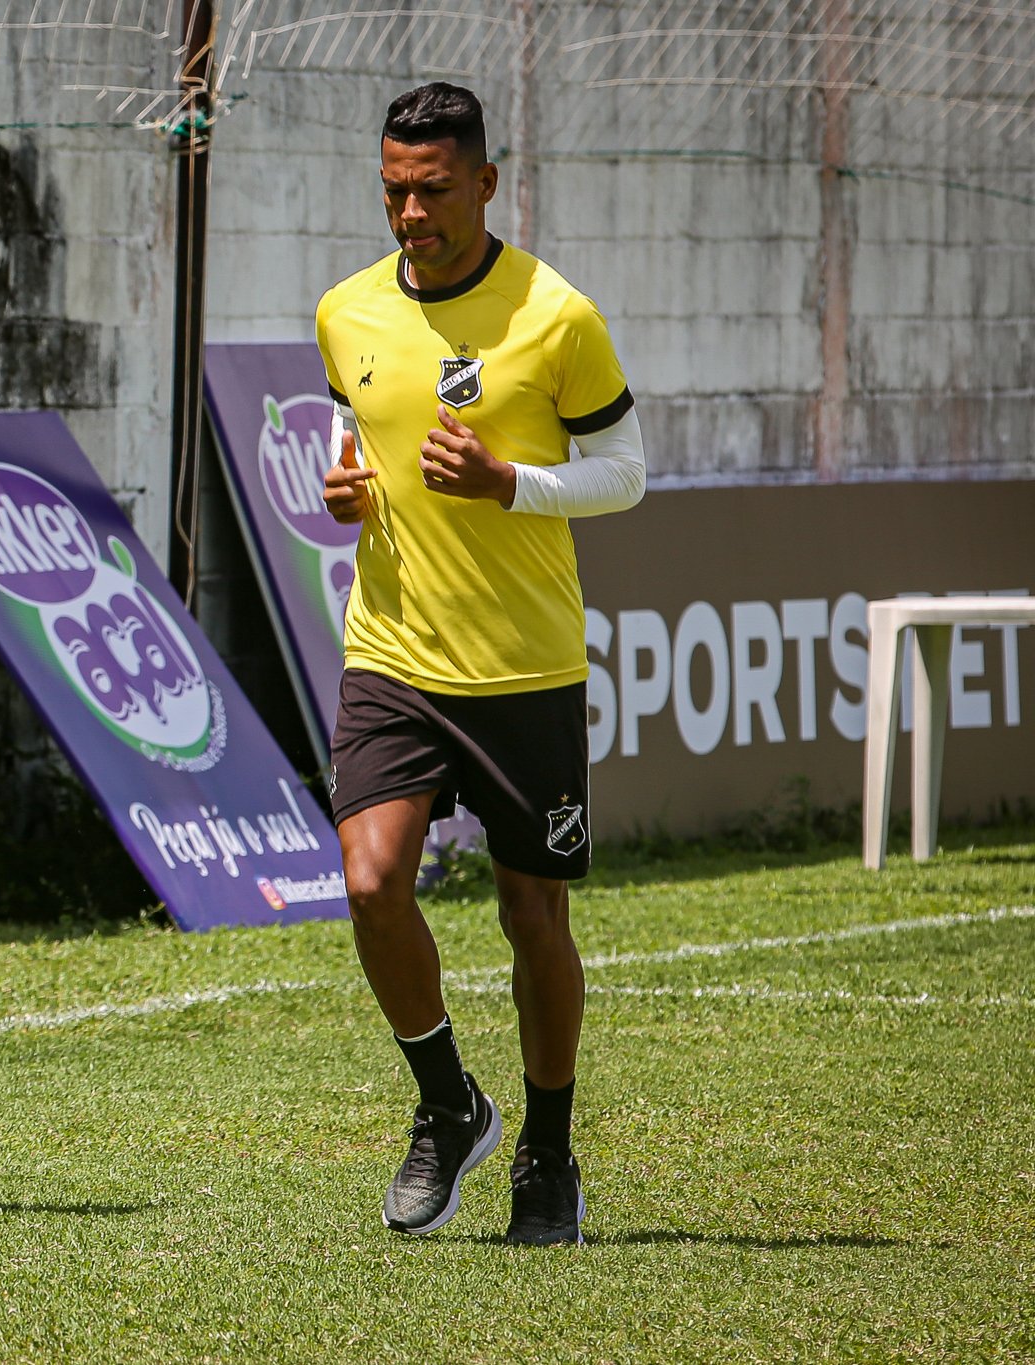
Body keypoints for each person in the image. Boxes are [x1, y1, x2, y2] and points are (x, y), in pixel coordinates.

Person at [314, 81, 645, 1245]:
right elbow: (363, 450)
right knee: (367, 880)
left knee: (529, 915)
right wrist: (349, 491)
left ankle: (545, 1157)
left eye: (434, 191)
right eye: (395, 191)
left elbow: (624, 472)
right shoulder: (344, 312)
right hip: (393, 650)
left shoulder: (554, 316)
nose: (410, 214)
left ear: (485, 184)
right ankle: (446, 1106)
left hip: (522, 666)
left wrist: (512, 485)